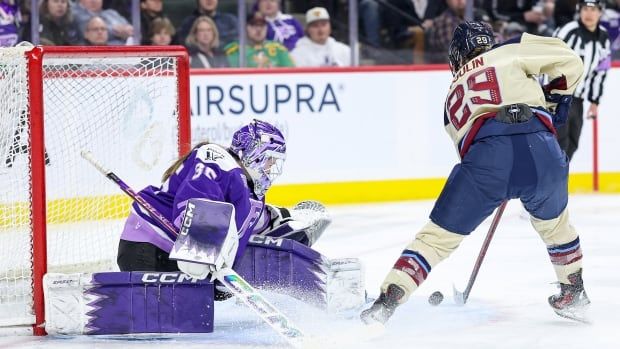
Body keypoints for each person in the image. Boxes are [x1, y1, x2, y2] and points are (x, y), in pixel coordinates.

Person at [361, 21, 590, 325]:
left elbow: (469, 148)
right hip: (542, 152)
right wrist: (556, 97)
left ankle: (388, 299)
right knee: (556, 226)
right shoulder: (511, 50)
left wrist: (504, 168)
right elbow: (572, 62)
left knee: (435, 239)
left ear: (456, 55)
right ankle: (574, 292)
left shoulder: (451, 96)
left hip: (487, 161)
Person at [117, 120, 286, 295]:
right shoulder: (218, 160)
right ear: (254, 153)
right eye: (270, 159)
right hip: (151, 245)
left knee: (188, 320)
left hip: (174, 257)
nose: (271, 166)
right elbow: (193, 203)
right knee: (156, 320)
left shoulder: (250, 193)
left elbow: (241, 230)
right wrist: (202, 246)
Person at [554, 0, 611, 161]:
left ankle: (558, 181)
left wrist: (594, 101)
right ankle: (551, 184)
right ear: (579, 11)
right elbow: (548, 59)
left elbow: (600, 72)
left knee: (572, 143)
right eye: (585, 9)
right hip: (558, 97)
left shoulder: (604, 37)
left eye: (593, 9)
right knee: (559, 143)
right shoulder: (568, 31)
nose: (589, 13)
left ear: (600, 12)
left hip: (577, 100)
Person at [224, 13, 294, 68]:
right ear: (245, 28)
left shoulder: (278, 49)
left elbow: (291, 71)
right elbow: (233, 73)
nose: (259, 29)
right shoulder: (235, 50)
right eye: (254, 25)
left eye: (262, 25)